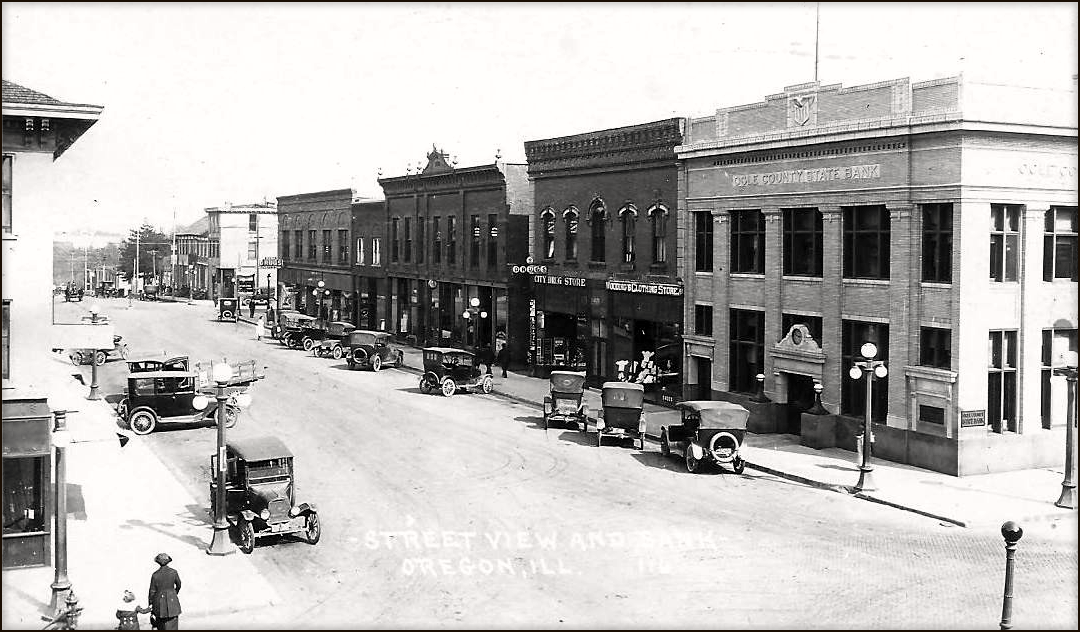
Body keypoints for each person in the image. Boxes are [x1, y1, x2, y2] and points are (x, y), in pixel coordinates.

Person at [148, 553, 181, 630]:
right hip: (172, 601)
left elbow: (152, 591)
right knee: (173, 624)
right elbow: (179, 585)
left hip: (159, 603)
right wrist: (174, 593)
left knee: (161, 625)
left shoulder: (155, 575)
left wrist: (151, 604)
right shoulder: (173, 572)